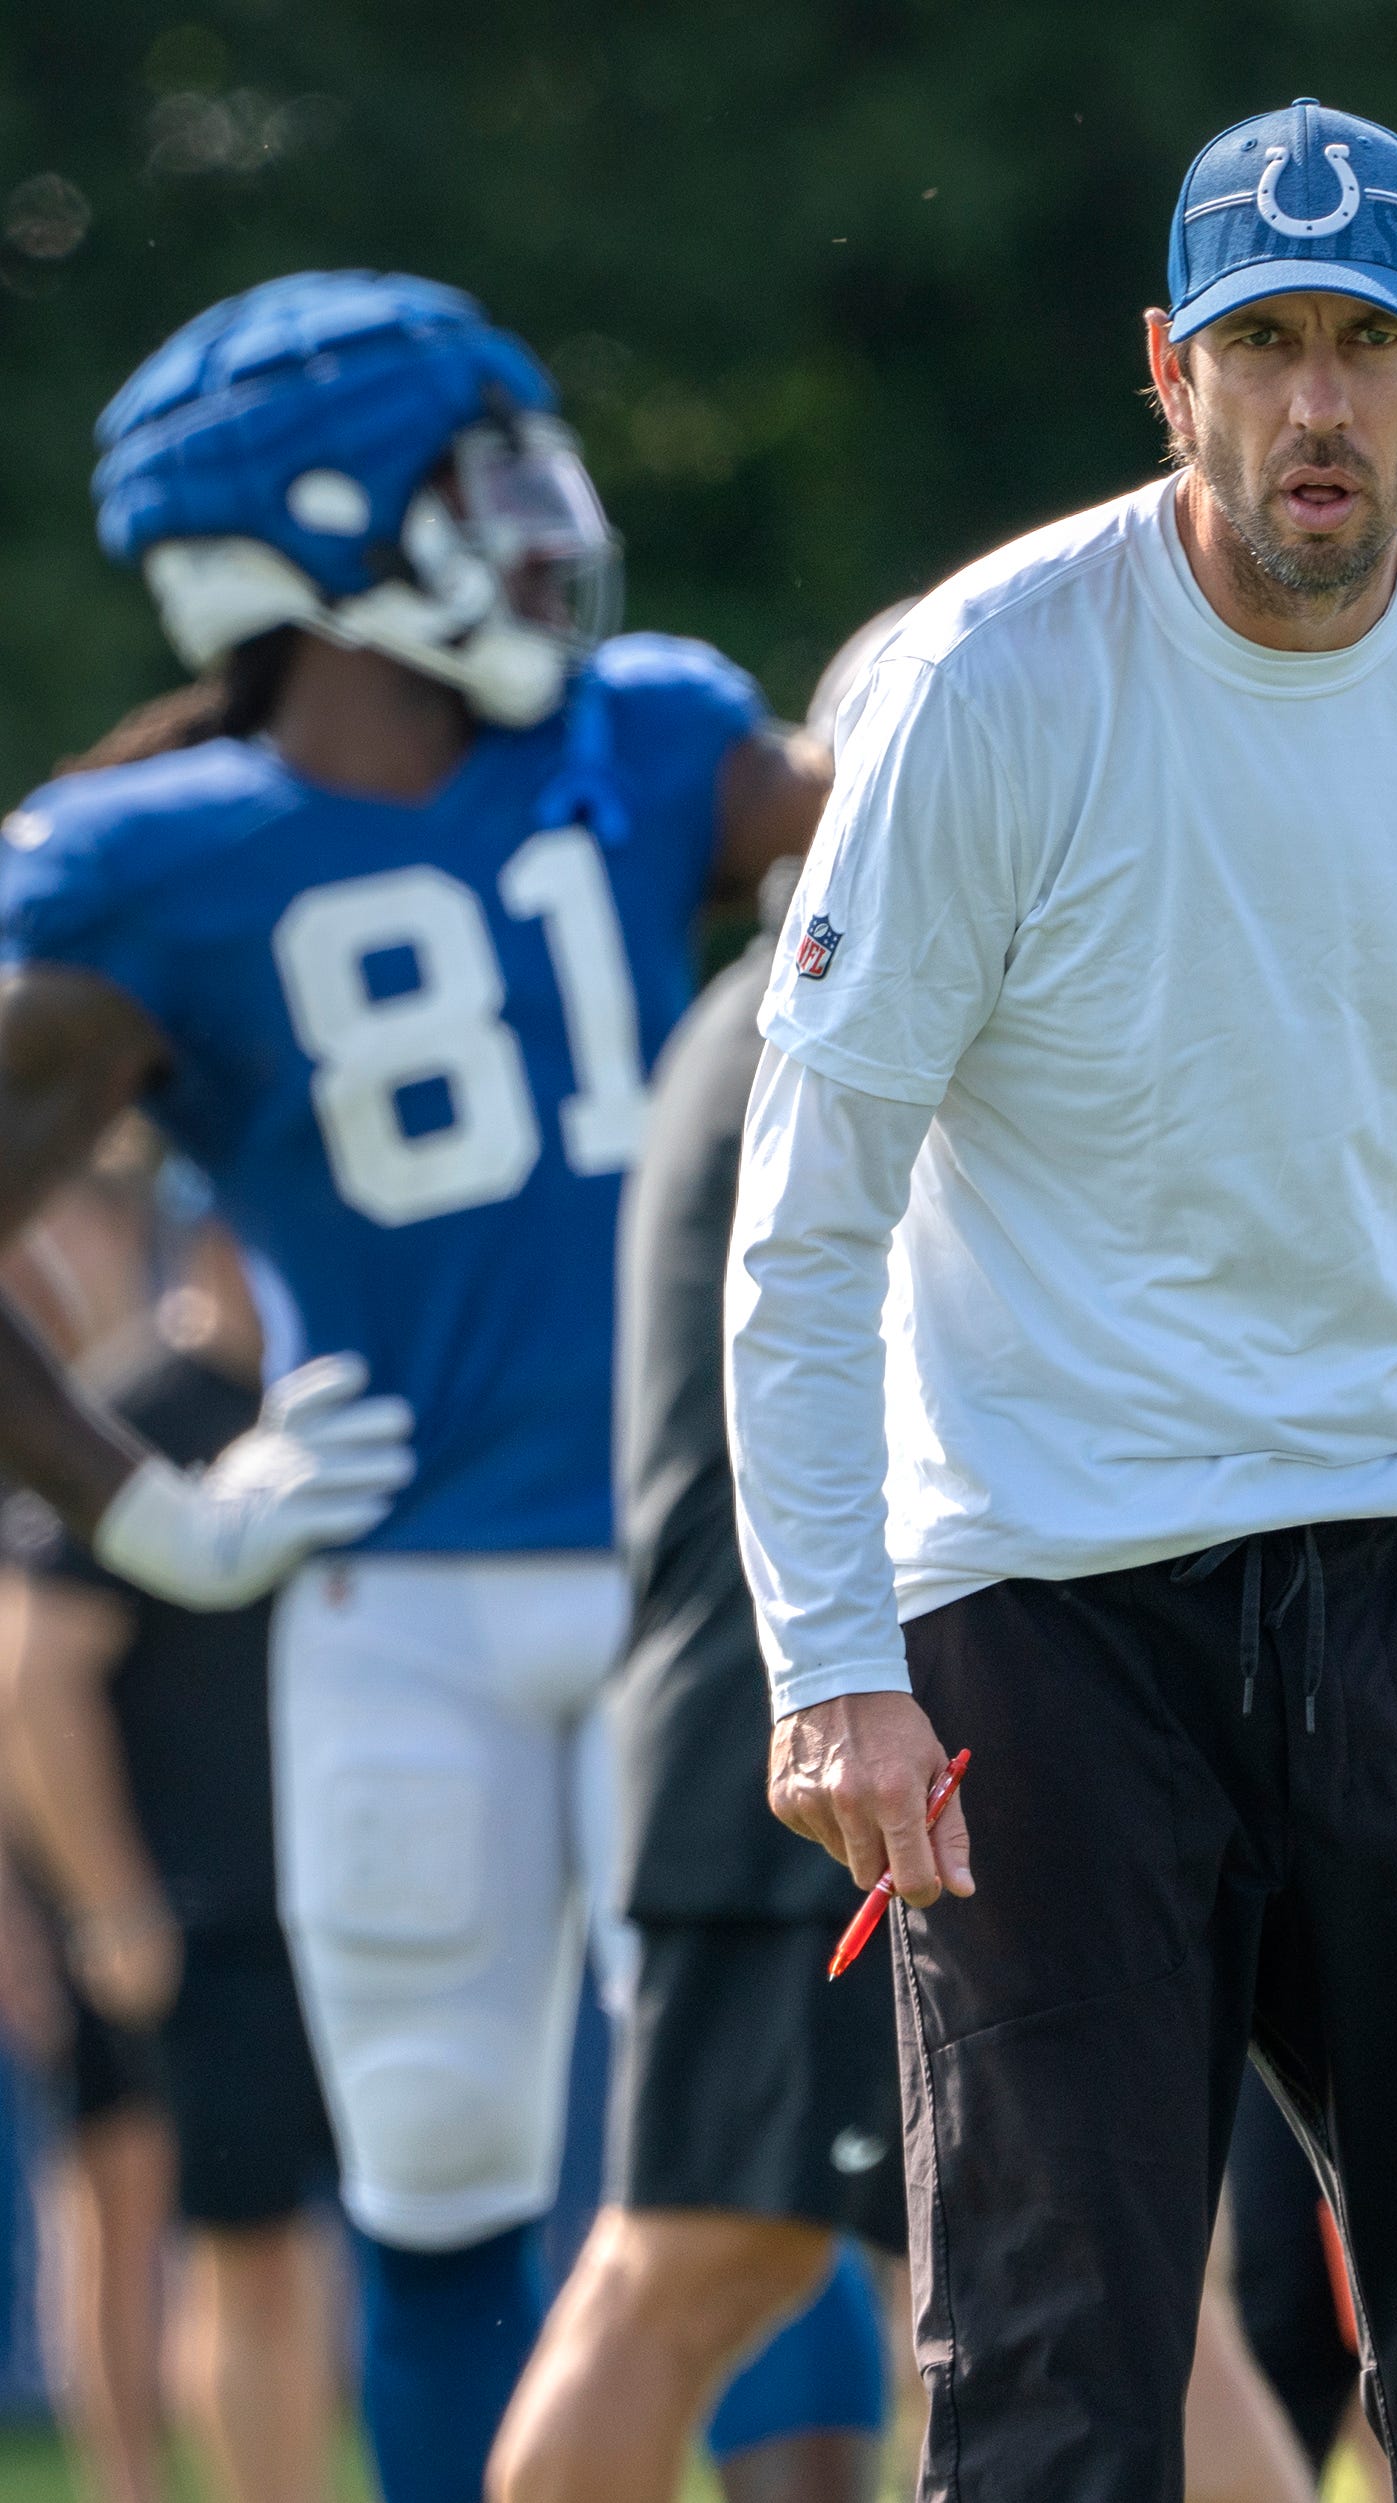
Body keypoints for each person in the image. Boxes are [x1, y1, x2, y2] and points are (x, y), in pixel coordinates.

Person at [731, 98, 1397, 2496]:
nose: (1318, 406)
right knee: (1062, 2376)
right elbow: (808, 1204)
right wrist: (835, 1665)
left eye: (1369, 348)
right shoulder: (995, 676)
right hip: (1038, 1603)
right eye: (1264, 348)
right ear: (1168, 373)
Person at [0, 269, 828, 2503]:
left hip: (705, 1578)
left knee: (769, 2130)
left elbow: (954, 844)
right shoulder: (146, 865)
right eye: (485, 474)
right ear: (324, 528)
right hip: (404, 1606)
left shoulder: (651, 736)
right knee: (442, 2164)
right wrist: (146, 1508)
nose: (544, 517)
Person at [488, 609, 913, 2503]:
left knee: (1106, 2276)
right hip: (805, 1755)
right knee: (679, 2278)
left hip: (783, 1736)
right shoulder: (823, 1012)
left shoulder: (771, 1005)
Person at [2, 1153, 345, 2503]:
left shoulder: (299, 1411)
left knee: (263, 2240)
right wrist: (108, 1903)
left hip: (278, 1894)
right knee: (191, 2228)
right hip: (182, 1910)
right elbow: (32, 1682)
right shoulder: (139, 1406)